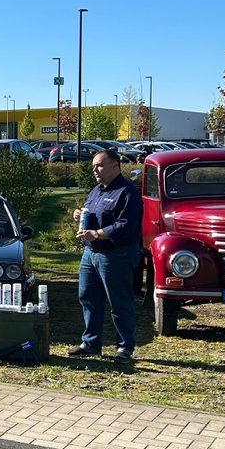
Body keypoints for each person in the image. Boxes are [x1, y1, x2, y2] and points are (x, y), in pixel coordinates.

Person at [70, 148, 143, 365]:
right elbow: (92, 214)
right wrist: (79, 215)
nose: (95, 170)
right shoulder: (97, 190)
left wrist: (97, 234)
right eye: (93, 166)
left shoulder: (127, 192)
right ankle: (91, 343)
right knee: (88, 298)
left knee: (119, 302)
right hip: (91, 254)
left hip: (115, 255)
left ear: (115, 165)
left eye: (99, 165)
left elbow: (125, 226)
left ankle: (124, 347)